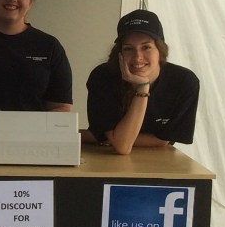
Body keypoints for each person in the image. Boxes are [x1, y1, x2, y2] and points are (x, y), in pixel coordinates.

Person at [84, 9, 199, 154]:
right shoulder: (102, 77)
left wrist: (111, 138)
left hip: (159, 162)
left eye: (146, 47)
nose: (138, 57)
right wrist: (143, 88)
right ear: (119, 53)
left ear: (161, 49)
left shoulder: (184, 82)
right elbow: (122, 146)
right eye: (128, 49)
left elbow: (163, 140)